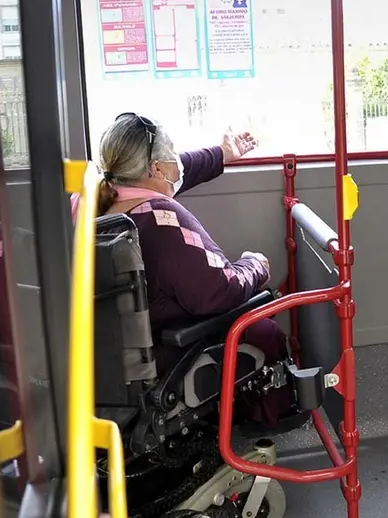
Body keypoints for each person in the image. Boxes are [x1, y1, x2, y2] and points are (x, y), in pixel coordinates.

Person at [72, 113, 302, 432]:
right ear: (154, 169)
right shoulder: (161, 220)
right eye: (171, 158)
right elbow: (220, 290)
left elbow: (180, 170)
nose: (177, 166)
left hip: (101, 362)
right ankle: (265, 422)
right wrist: (256, 266)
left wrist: (221, 154)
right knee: (264, 328)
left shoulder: (87, 205)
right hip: (164, 353)